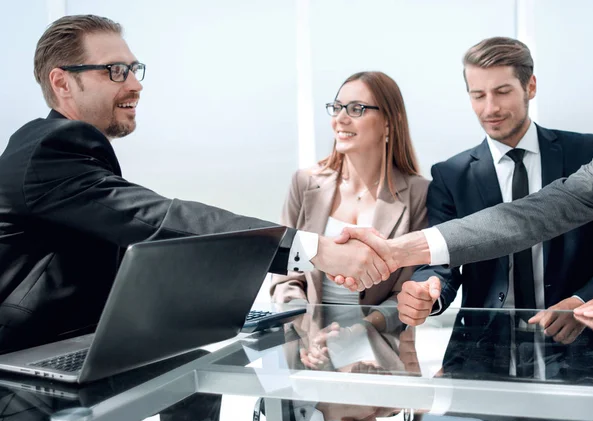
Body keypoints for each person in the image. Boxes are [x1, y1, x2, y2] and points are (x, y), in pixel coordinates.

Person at [0, 15, 391, 353]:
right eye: (115, 71)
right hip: (20, 359)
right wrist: (313, 248)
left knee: (194, 373)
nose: (135, 85)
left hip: (67, 341)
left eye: (135, 70)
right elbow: (158, 219)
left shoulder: (69, 151)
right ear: (62, 82)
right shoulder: (49, 148)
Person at [397, 37, 593, 340]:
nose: (489, 108)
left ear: (530, 86)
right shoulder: (450, 175)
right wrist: (428, 291)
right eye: (477, 95)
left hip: (578, 342)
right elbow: (442, 264)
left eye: (502, 92)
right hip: (483, 347)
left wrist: (582, 301)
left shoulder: (585, 152)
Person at [270, 71, 429, 333]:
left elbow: (407, 291)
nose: (340, 119)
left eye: (357, 109)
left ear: (389, 122)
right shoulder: (304, 184)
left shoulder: (419, 194)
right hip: (308, 351)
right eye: (336, 108)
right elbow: (284, 279)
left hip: (381, 353)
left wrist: (359, 333)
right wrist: (310, 332)